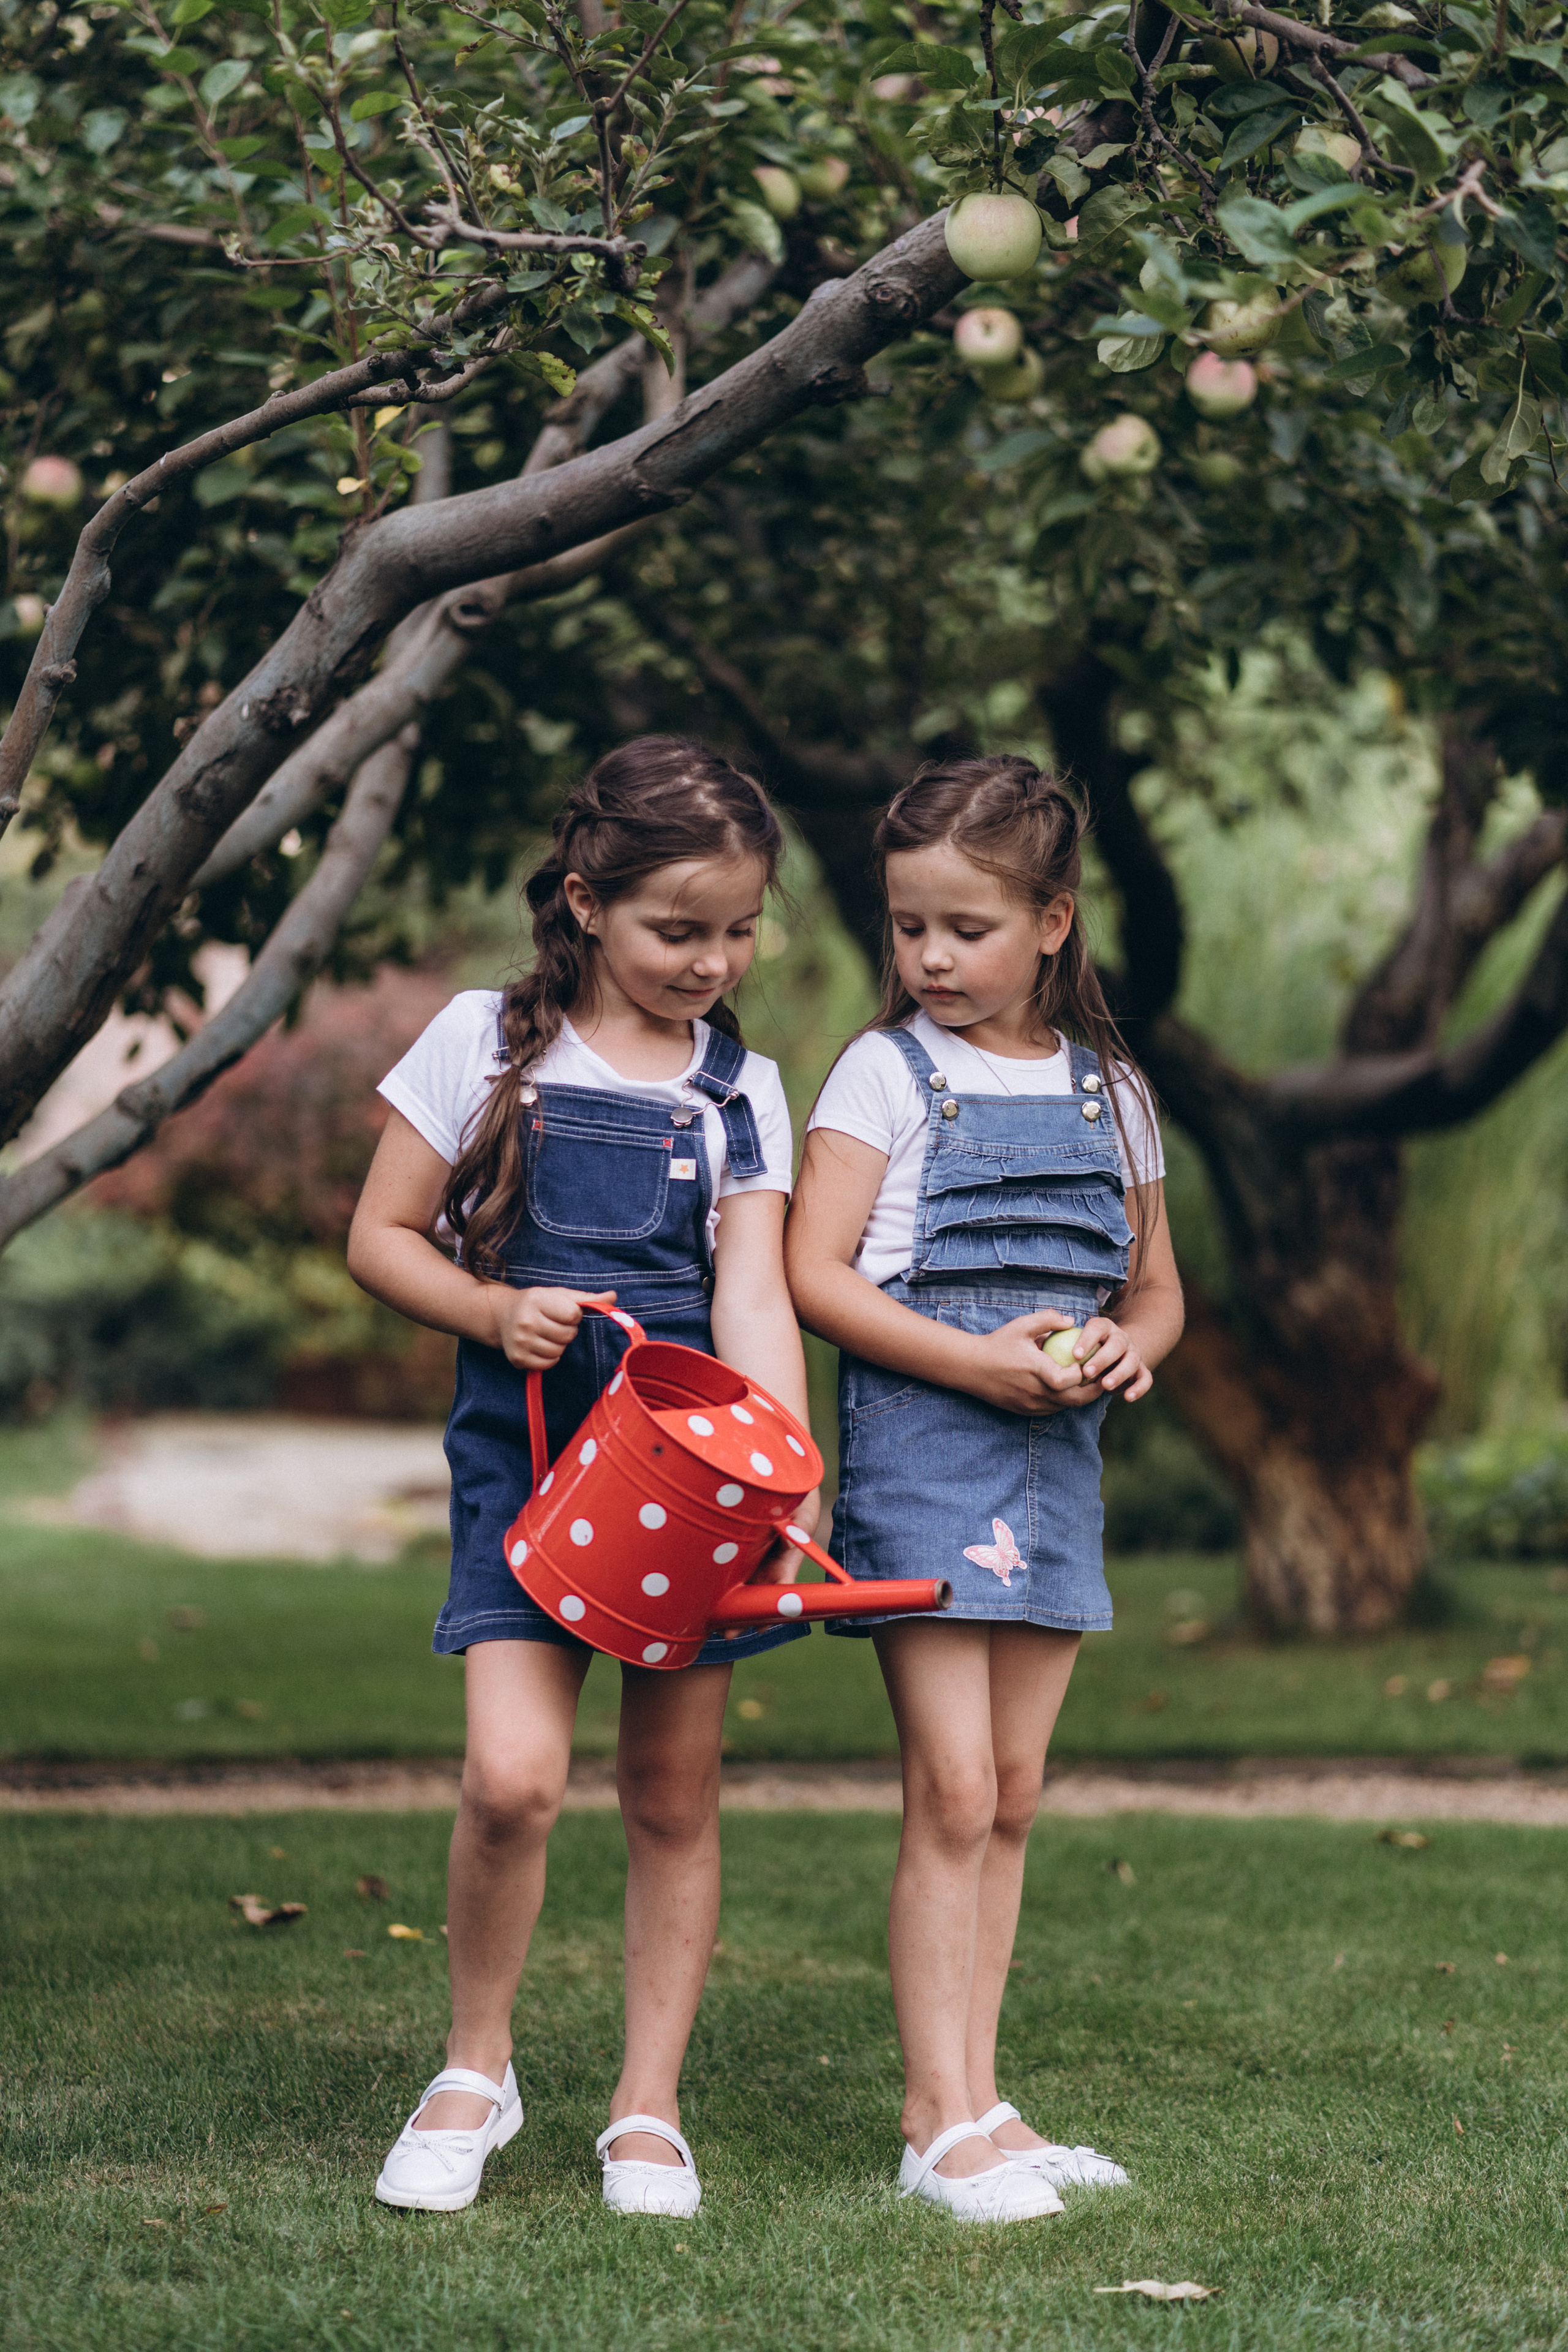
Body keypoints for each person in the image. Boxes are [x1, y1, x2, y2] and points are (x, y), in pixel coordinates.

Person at [347, 737, 816, 2219]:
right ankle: (475, 2070)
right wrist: (491, 1313)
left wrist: (785, 1475)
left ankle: (646, 2110)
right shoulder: (485, 1041)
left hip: (690, 1476)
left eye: (739, 931)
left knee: (671, 1793)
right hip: (530, 1458)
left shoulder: (743, 1090)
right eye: (681, 929)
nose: (713, 960)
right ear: (585, 901)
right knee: (511, 1780)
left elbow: (751, 1299)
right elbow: (380, 1237)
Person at [785, 756, 1185, 2225]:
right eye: (907, 929)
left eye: (963, 928)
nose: (929, 960)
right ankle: (926, 2123)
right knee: (949, 1788)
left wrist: (1128, 1353)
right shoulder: (885, 1074)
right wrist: (975, 1363)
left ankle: (983, 2096)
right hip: (927, 1459)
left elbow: (1155, 1290)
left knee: (1009, 1796)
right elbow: (812, 1277)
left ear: (1053, 924)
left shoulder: (1116, 1094)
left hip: (1053, 1460)